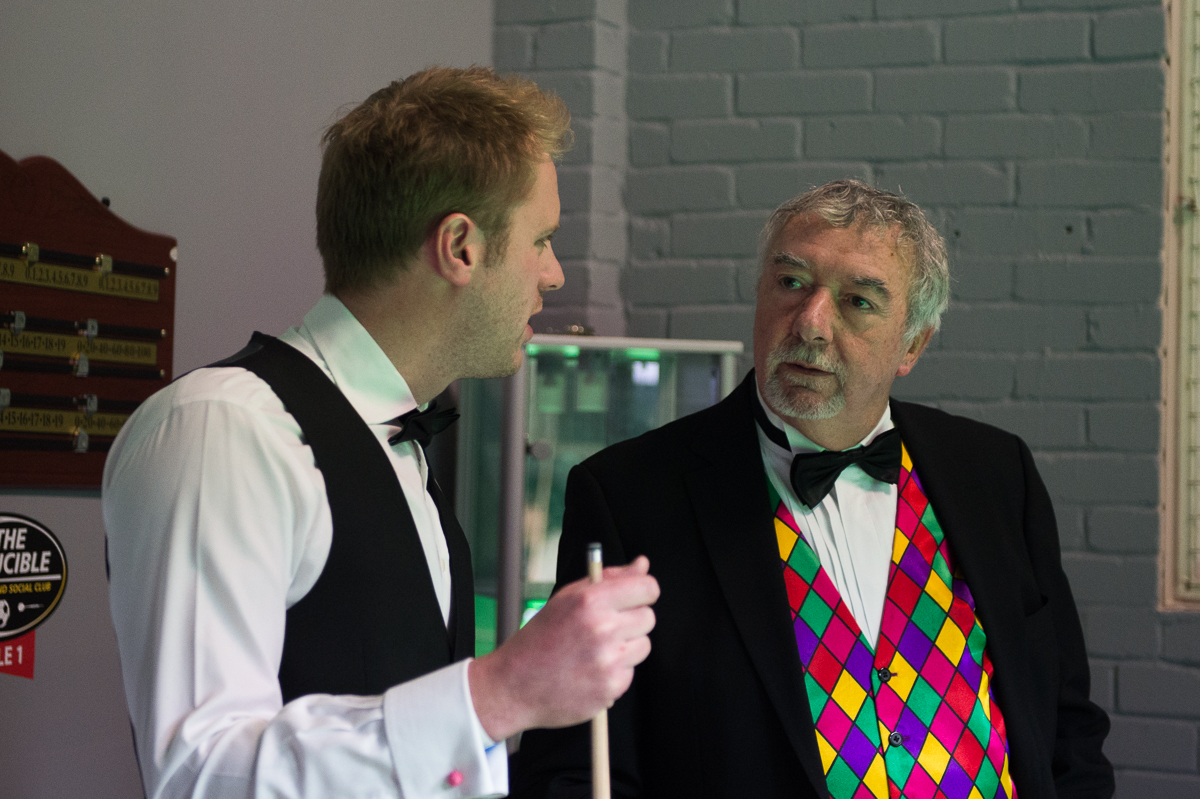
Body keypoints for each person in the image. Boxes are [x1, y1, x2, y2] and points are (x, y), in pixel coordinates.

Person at [103, 66, 658, 799]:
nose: (553, 274)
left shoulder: (404, 443)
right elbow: (199, 775)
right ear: (460, 246)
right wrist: (502, 691)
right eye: (542, 239)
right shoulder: (222, 427)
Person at [513, 180, 1113, 799]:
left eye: (858, 301)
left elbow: (1067, 729)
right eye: (792, 282)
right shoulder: (629, 496)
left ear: (912, 344)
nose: (811, 323)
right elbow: (574, 770)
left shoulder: (995, 472)